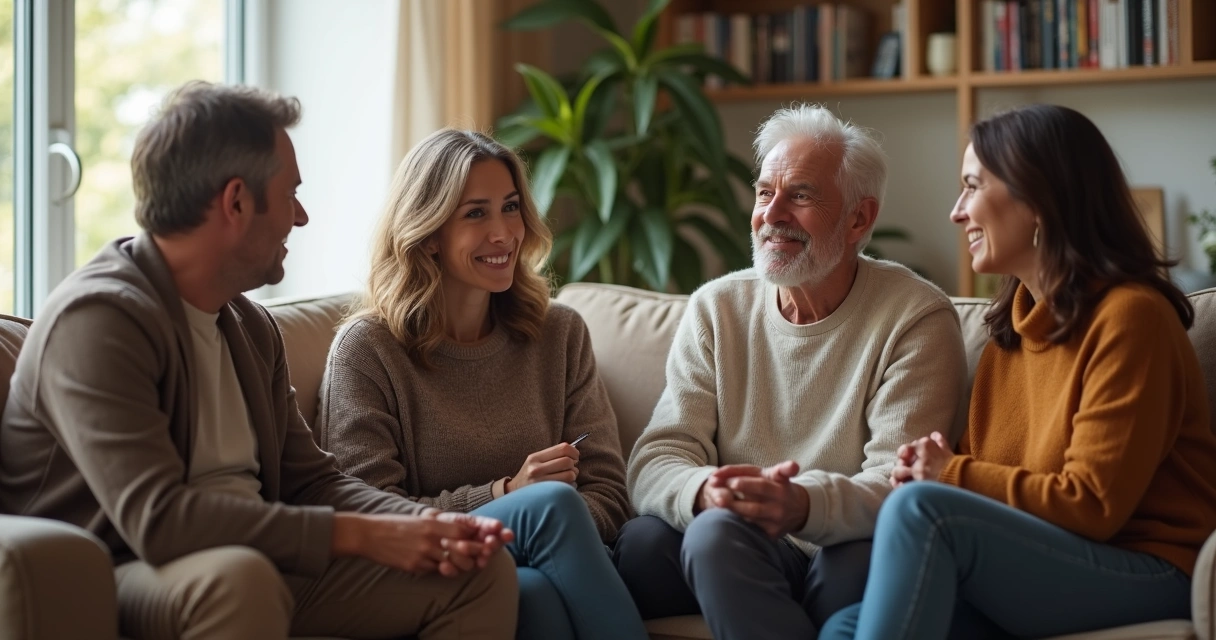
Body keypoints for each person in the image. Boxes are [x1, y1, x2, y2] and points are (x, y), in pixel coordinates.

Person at [0, 82, 519, 640]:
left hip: (255, 554)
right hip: (117, 567)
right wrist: (362, 535)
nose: (302, 216)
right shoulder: (99, 320)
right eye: (290, 193)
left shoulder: (248, 325)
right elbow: (158, 520)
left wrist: (430, 524)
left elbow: (312, 482)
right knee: (239, 578)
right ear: (237, 202)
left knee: (477, 570)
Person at [820, 104, 1216, 640]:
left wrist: (949, 474)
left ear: (1038, 200)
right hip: (1044, 560)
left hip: (1150, 568)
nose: (956, 212)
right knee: (845, 625)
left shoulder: (1130, 318)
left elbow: (1093, 505)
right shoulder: (1011, 331)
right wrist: (935, 469)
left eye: (971, 186)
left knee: (923, 510)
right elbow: (984, 480)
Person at [613, 103, 968, 640]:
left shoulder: (915, 316)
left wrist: (800, 504)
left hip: (837, 544)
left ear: (859, 218)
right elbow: (659, 454)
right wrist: (707, 491)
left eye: (800, 196)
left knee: (863, 561)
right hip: (737, 537)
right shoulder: (717, 307)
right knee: (645, 545)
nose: (771, 214)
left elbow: (901, 481)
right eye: (764, 193)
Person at [316, 127, 647, 640]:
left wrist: (542, 536)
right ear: (428, 234)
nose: (504, 233)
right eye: (476, 214)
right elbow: (371, 515)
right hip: (428, 567)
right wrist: (506, 494)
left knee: (533, 585)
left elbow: (609, 494)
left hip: (546, 562)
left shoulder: (559, 334)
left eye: (511, 208)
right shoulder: (368, 350)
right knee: (548, 517)